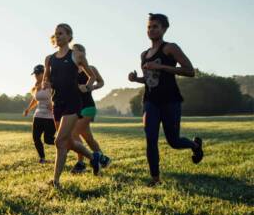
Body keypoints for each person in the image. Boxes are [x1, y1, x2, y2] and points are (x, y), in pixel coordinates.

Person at [128, 13, 204, 187]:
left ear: (164, 29)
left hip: (170, 100)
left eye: (155, 26)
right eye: (149, 27)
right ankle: (155, 179)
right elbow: (150, 79)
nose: (151, 30)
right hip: (150, 101)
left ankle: (195, 145)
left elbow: (190, 71)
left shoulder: (170, 48)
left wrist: (160, 66)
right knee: (150, 138)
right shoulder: (144, 54)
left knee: (174, 141)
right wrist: (135, 79)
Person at [43, 23, 104, 188]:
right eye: (56, 34)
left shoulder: (76, 55)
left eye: (61, 33)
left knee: (59, 141)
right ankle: (94, 158)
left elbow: (91, 76)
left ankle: (55, 181)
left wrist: (87, 86)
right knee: (67, 141)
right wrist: (46, 84)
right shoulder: (49, 58)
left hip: (73, 102)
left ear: (69, 37)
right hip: (58, 102)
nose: (58, 36)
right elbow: (46, 79)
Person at [68, 44, 112, 174]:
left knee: (74, 132)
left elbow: (101, 82)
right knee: (89, 139)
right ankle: (103, 159)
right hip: (75, 107)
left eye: (75, 52)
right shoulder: (71, 70)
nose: (73, 55)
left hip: (88, 107)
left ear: (82, 53)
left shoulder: (90, 68)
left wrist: (89, 87)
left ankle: (81, 163)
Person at [23, 64, 55, 164]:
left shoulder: (51, 84)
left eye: (38, 74)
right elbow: (35, 99)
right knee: (36, 138)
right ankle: (42, 158)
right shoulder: (37, 86)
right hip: (38, 116)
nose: (36, 76)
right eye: (35, 74)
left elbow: (60, 95)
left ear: (44, 73)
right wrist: (28, 109)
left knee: (49, 140)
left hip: (50, 117)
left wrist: (53, 104)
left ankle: (65, 143)